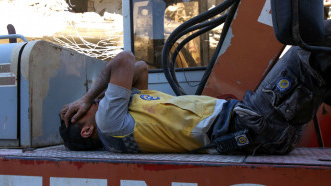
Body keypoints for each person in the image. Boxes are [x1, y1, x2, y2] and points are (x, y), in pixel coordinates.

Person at [60, 22, 331, 155]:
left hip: (259, 130)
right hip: (251, 125)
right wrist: (87, 97)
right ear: (87, 130)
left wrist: (93, 99)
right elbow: (124, 59)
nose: (90, 105)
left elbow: (139, 67)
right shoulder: (109, 122)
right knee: (313, 45)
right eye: (83, 111)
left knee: (320, 71)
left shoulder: (124, 118)